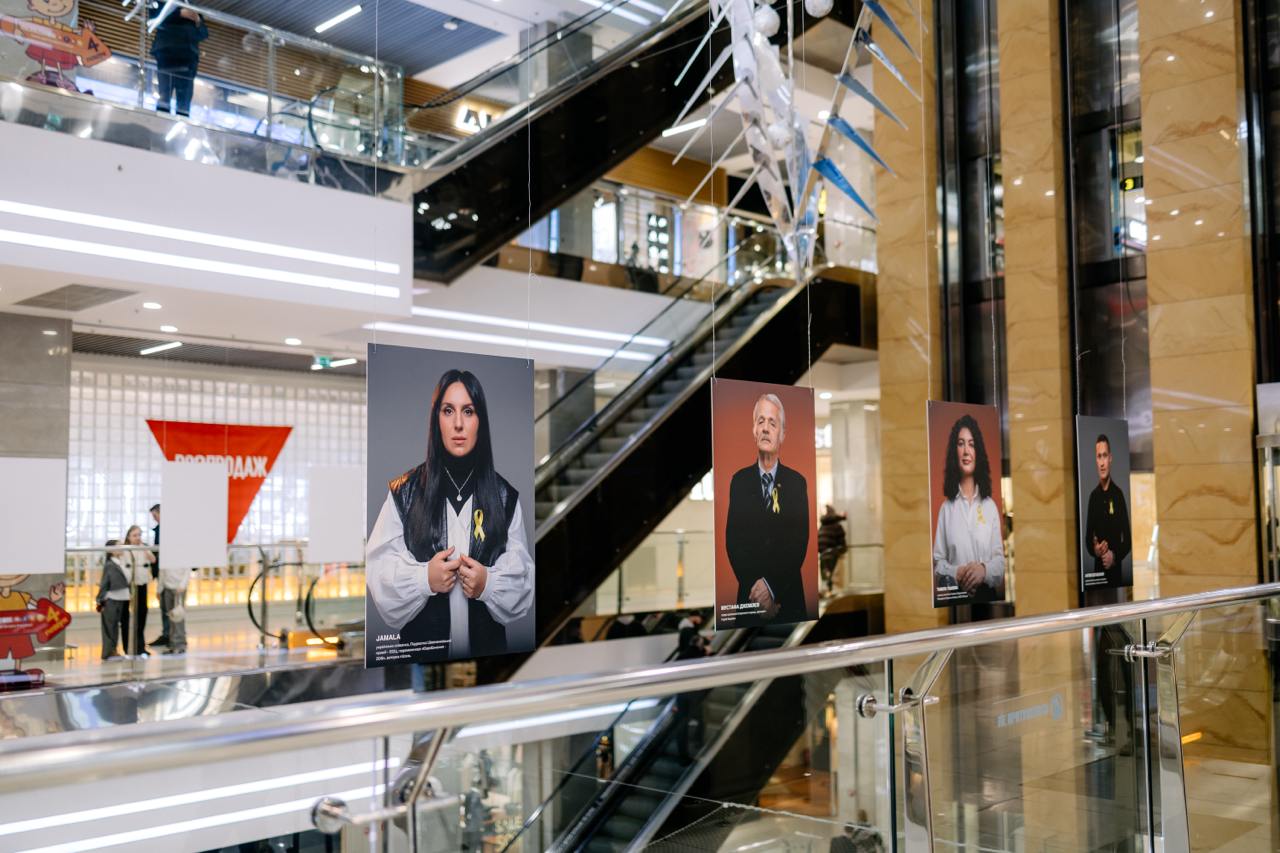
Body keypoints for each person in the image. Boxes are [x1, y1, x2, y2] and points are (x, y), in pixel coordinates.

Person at [366, 369, 534, 662]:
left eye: (468, 411)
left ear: (480, 421)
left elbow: (522, 582)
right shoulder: (404, 493)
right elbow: (378, 572)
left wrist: (488, 584)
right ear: (436, 420)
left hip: (489, 669)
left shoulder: (505, 497)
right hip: (423, 670)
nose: (458, 423)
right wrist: (423, 579)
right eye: (448, 411)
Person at [724, 393, 812, 626]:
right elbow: (734, 542)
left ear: (782, 433)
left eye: (772, 423)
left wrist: (771, 589)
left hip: (788, 597)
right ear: (753, 429)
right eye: (760, 421)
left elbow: (798, 543)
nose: (765, 428)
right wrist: (759, 594)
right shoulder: (739, 481)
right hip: (749, 599)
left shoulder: (796, 483)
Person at [932, 414, 1005, 603]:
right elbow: (938, 563)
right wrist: (957, 572)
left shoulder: (989, 507)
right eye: (961, 444)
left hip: (988, 601)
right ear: (954, 452)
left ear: (977, 452)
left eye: (971, 444)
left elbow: (1000, 563)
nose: (966, 451)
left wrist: (983, 570)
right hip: (956, 603)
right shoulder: (946, 509)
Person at [1084, 433, 1131, 587]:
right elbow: (1087, 539)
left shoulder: (1118, 495)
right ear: (1096, 461)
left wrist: (1114, 556)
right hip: (1096, 580)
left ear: (1110, 458)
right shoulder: (1093, 497)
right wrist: (1095, 550)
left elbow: (1128, 541)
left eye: (1105, 456)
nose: (1102, 463)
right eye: (1099, 457)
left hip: (1116, 580)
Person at [149, 2, 207, 117]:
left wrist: (197, 19)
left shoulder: (192, 6)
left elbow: (204, 34)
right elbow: (155, 19)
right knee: (165, 94)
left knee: (184, 100)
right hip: (168, 54)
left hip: (188, 57)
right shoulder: (162, 2)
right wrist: (179, 13)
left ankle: (182, 122)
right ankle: (162, 119)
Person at [122, 525, 154, 656]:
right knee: (128, 617)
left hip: (142, 583)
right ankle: (129, 647)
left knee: (142, 614)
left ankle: (140, 646)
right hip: (129, 585)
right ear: (129, 536)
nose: (137, 538)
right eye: (134, 535)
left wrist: (144, 549)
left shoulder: (144, 547)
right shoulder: (125, 549)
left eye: (139, 535)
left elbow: (153, 560)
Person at [96, 540, 130, 661]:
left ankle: (113, 651)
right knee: (109, 627)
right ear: (111, 551)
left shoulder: (121, 562)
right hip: (111, 599)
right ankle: (108, 652)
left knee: (114, 627)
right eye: (118, 545)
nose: (122, 547)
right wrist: (100, 600)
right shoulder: (110, 565)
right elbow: (104, 583)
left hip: (122, 599)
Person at [158, 536, 188, 656]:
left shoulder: (183, 553)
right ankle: (172, 643)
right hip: (167, 588)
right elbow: (162, 573)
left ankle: (180, 644)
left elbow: (187, 571)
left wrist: (182, 586)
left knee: (178, 617)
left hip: (179, 589)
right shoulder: (166, 554)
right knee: (170, 618)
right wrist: (159, 589)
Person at [148, 503, 170, 648]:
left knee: (168, 606)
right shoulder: (159, 530)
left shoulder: (165, 530)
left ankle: (170, 635)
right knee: (164, 605)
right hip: (161, 573)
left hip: (167, 574)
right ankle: (167, 633)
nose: (154, 518)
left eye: (155, 515)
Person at [818, 504, 849, 592]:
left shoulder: (822, 527)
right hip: (833, 555)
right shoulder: (837, 526)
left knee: (826, 578)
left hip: (823, 555)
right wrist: (842, 550)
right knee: (835, 580)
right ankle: (834, 595)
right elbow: (842, 544)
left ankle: (828, 592)